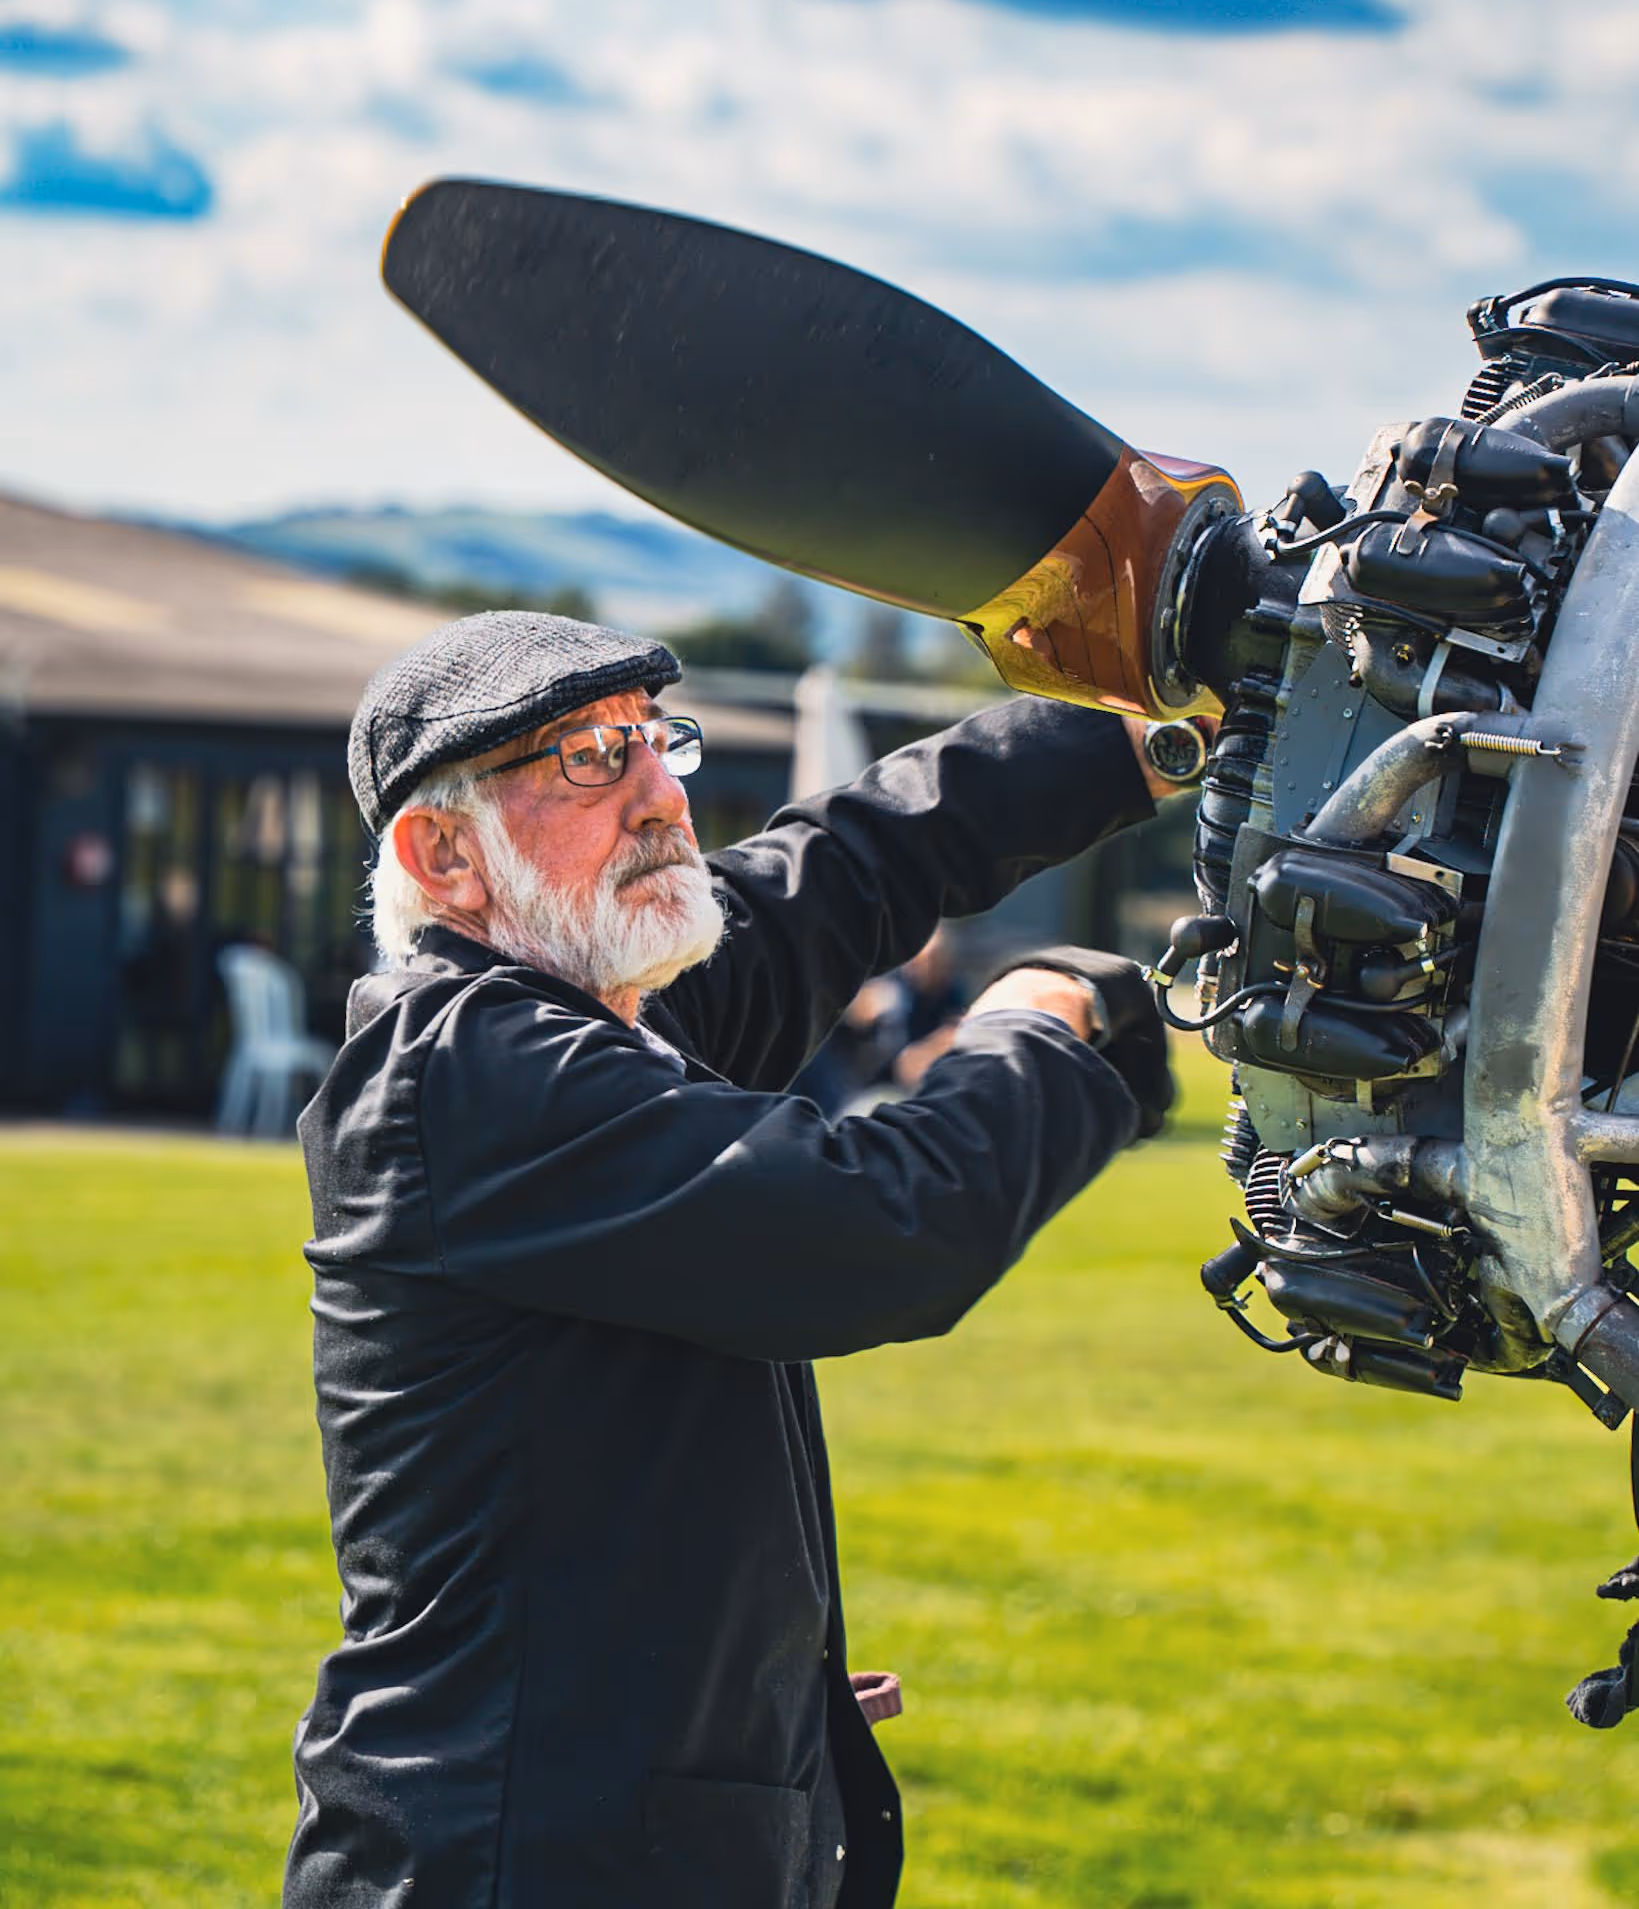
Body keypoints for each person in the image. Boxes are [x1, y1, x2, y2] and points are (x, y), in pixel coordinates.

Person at [283, 609, 1179, 1909]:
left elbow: (856, 859)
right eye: (589, 760)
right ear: (446, 853)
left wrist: (1147, 736)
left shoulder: (595, 1019)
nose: (662, 798)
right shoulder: (468, 1070)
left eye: (660, 745)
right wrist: (1031, 1024)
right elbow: (883, 1232)